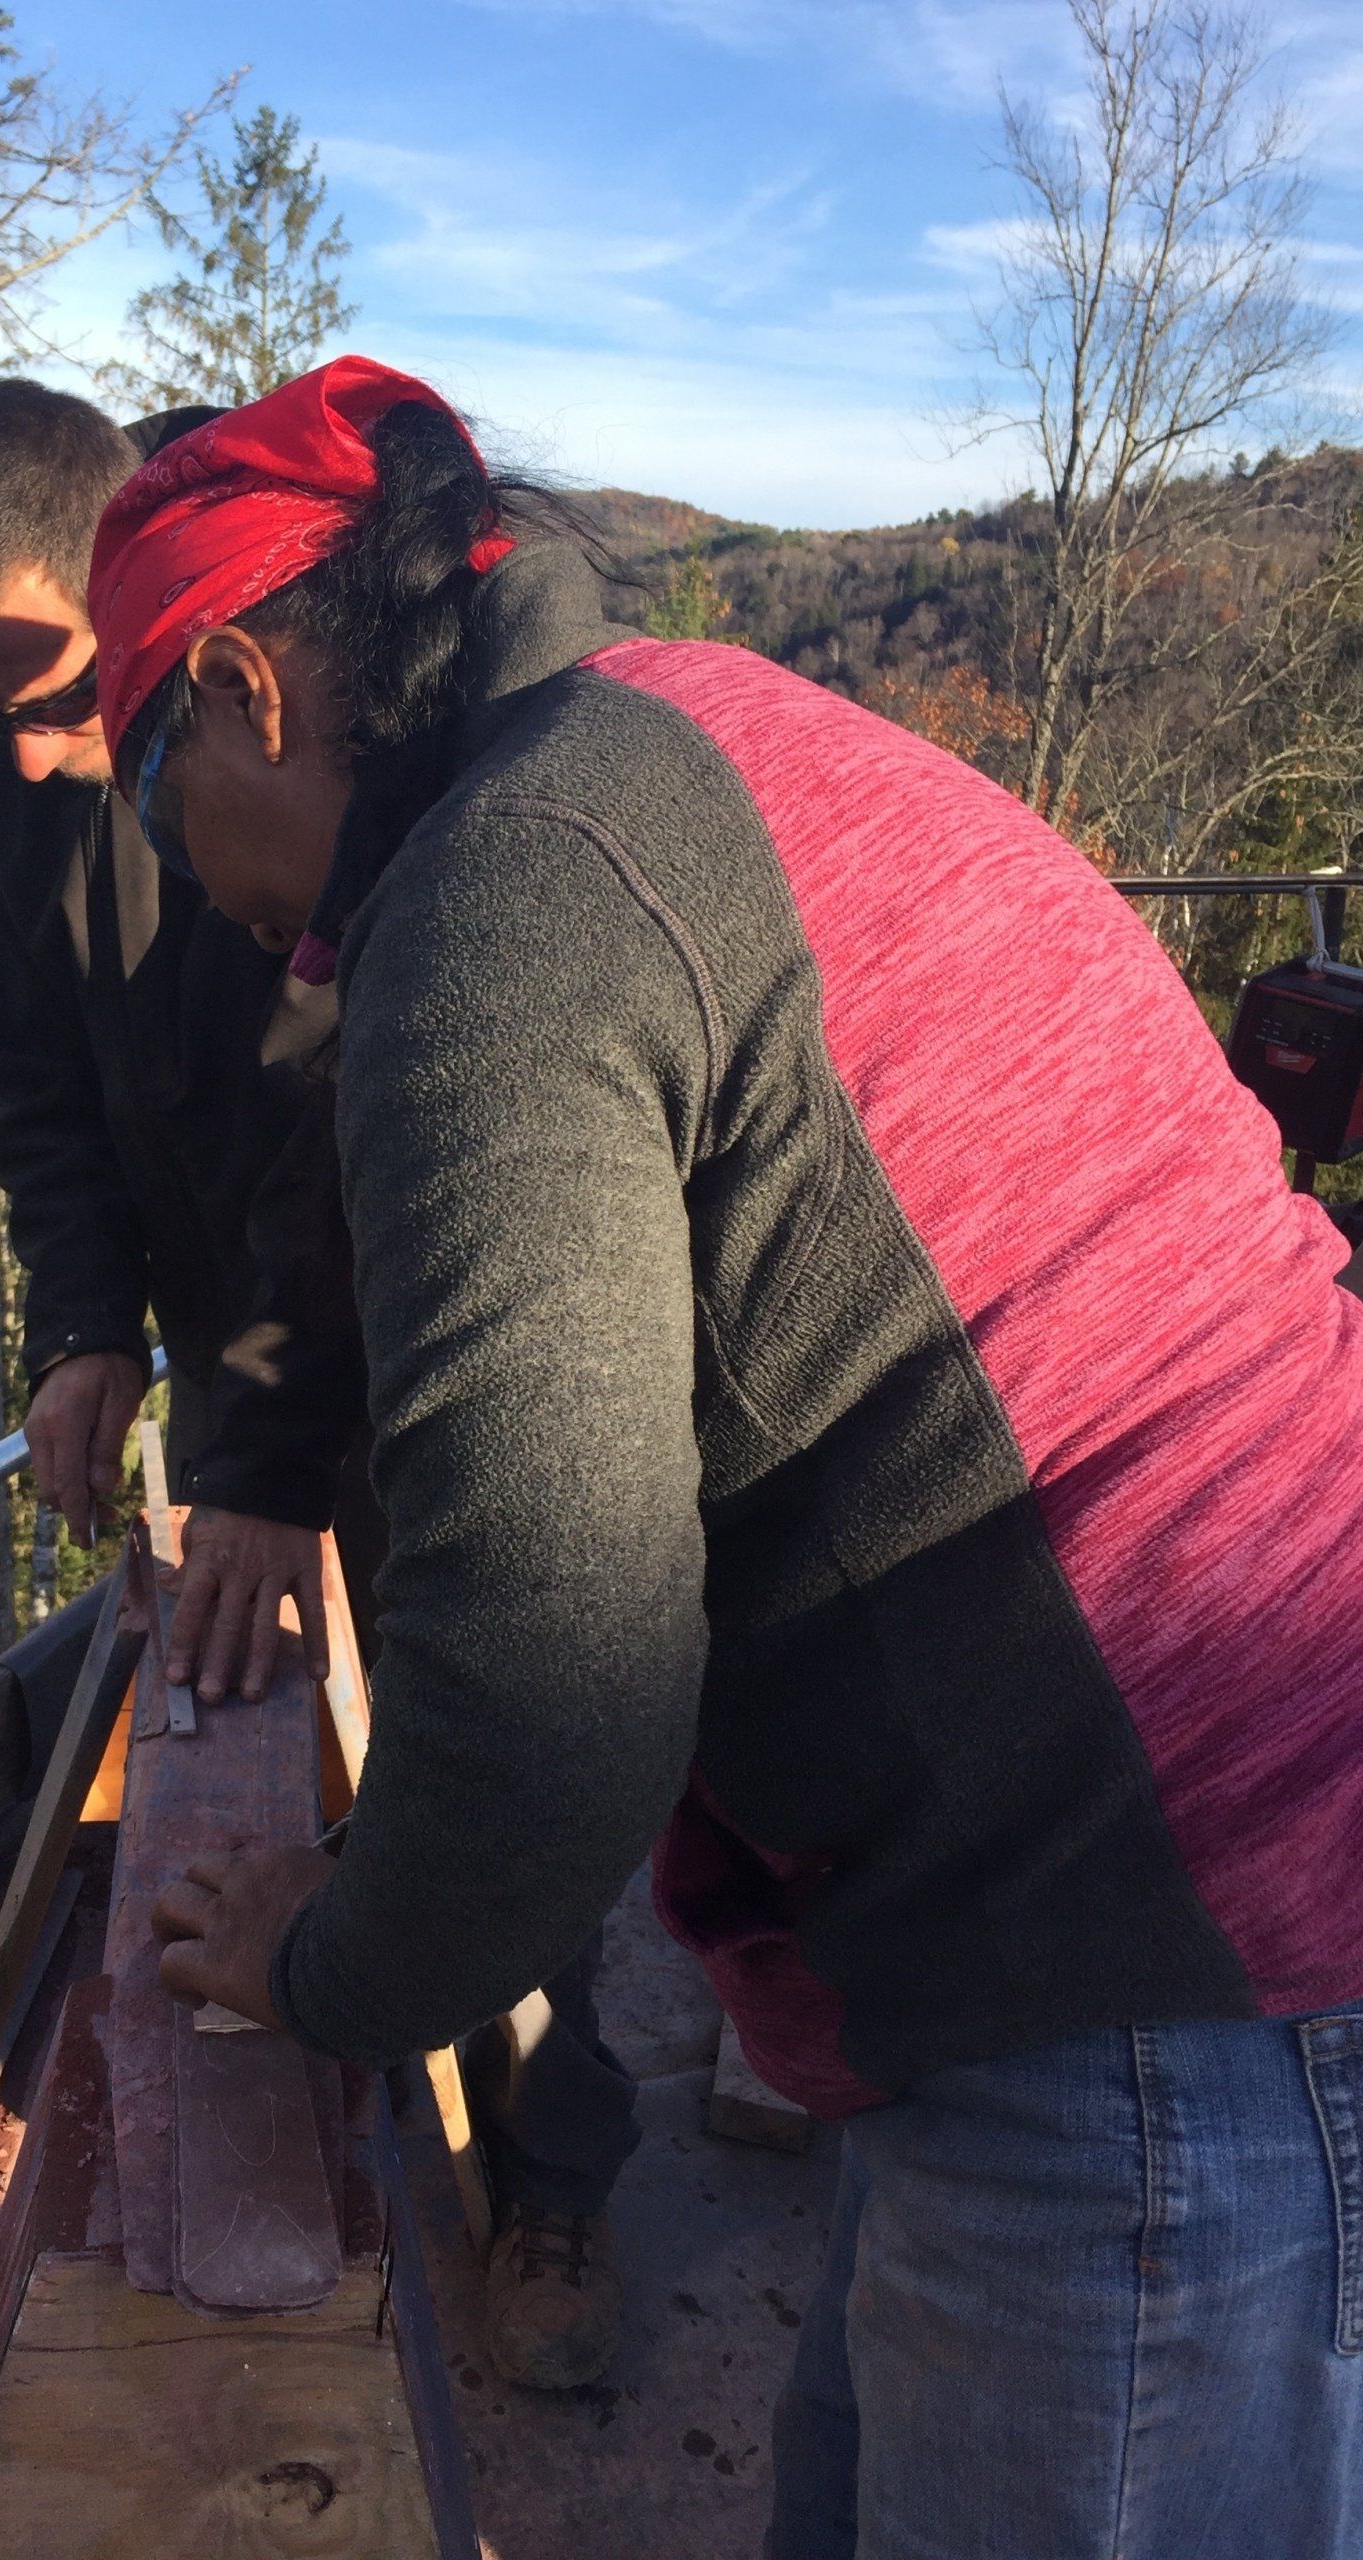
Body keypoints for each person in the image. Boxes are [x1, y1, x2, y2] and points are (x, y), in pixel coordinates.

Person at [104, 357, 1363, 2558]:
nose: (200, 897)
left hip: (1155, 1948)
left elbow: (554, 1683)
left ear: (242, 685)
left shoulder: (501, 896)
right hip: (1121, 1901)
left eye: (151, 806)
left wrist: (325, 1957)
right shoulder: (696, 727)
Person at [0, 379, 641, 2388]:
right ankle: (303, 2049)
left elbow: (338, 1108)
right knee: (246, 1711)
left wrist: (277, 1455)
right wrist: (83, 1326)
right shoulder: (27, 748)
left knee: (494, 1700)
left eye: (55, 689)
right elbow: (38, 1070)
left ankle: (550, 2163)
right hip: (234, 1361)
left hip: (421, 1312)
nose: (38, 751)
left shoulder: (313, 721)